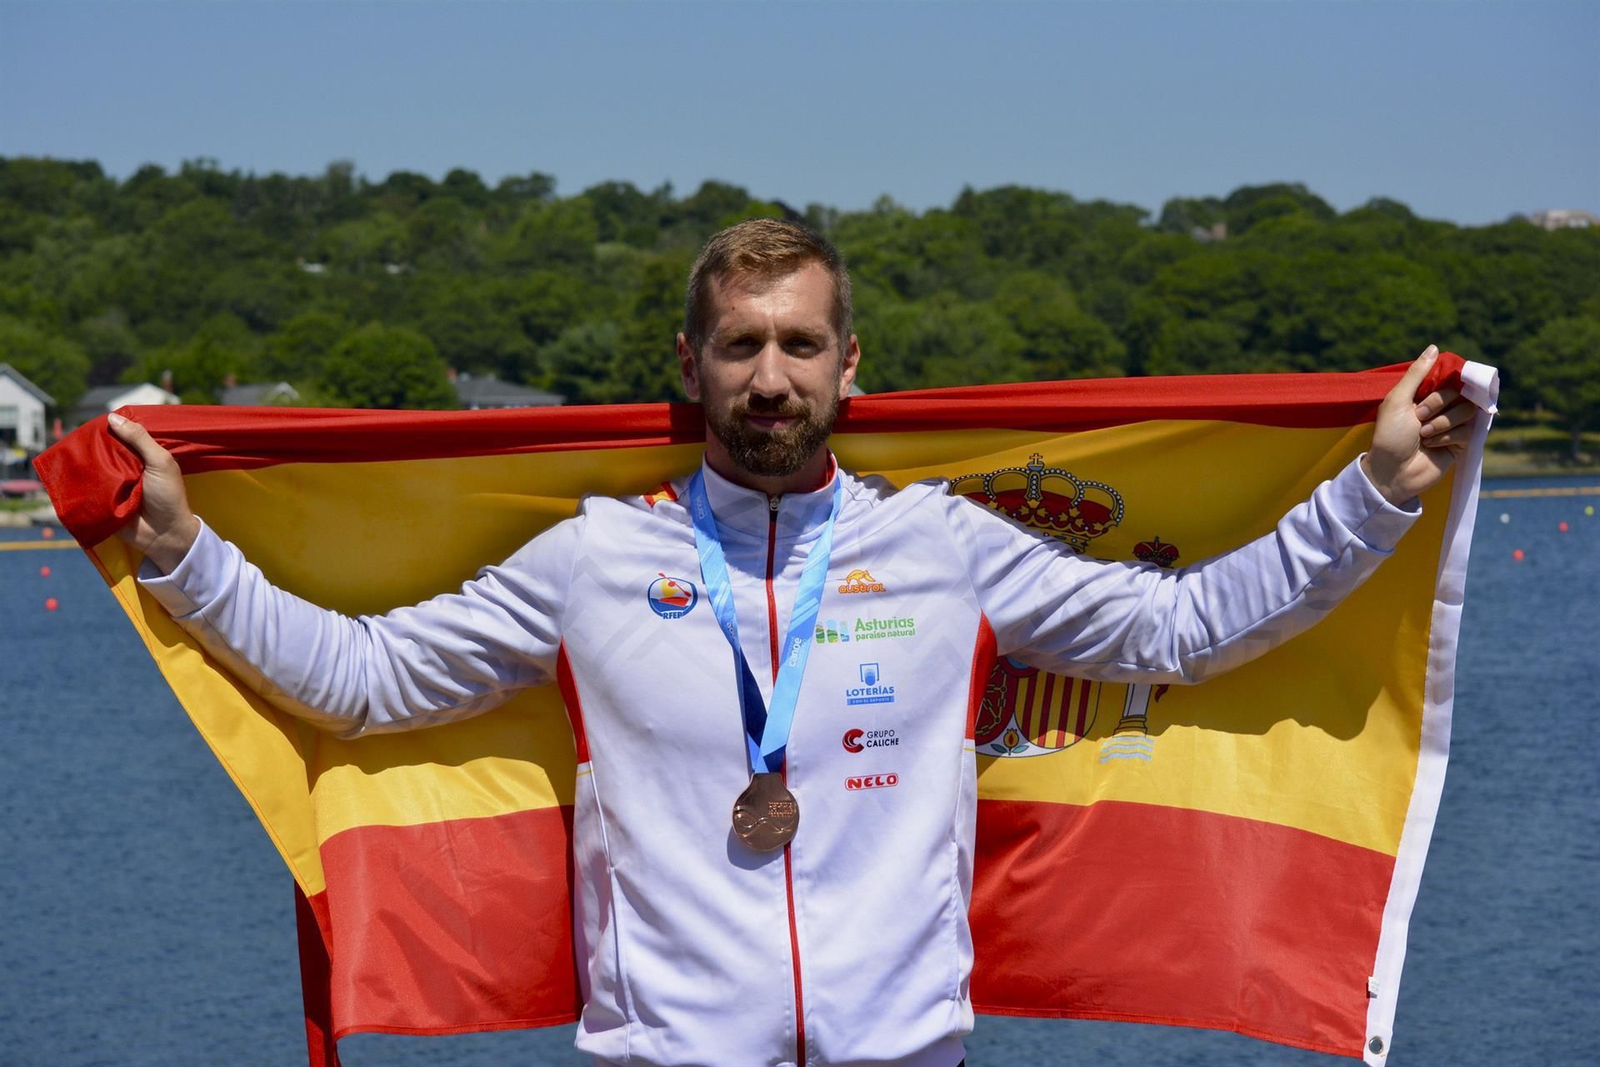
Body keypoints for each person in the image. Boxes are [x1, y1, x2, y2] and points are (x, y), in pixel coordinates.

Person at [108, 219, 1478, 1067]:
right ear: (691, 362)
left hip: (904, 1053)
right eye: (742, 345)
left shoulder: (948, 546)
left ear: (849, 365)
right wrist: (182, 552)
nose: (772, 376)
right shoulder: (596, 559)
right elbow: (363, 682)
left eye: (801, 345)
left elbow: (1178, 628)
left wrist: (1371, 498)